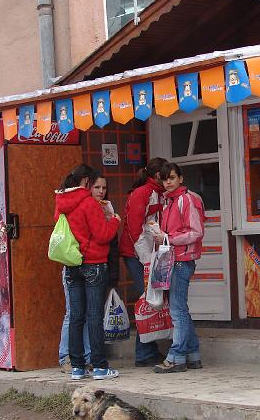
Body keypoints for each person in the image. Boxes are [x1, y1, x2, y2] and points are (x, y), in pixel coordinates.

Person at [55, 164, 121, 380]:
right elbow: (102, 235)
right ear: (85, 182)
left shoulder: (61, 203)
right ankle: (100, 367)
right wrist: (114, 221)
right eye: (93, 183)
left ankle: (77, 367)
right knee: (94, 316)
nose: (96, 187)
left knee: (76, 317)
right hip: (93, 264)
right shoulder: (88, 203)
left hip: (71, 265)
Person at [153, 162, 205, 374]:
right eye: (165, 178)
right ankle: (192, 354)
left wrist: (167, 238)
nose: (168, 182)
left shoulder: (186, 200)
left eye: (172, 177)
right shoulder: (169, 201)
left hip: (182, 260)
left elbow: (196, 231)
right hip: (172, 259)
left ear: (181, 179)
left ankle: (176, 356)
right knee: (180, 308)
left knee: (177, 310)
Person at [119, 157, 167, 367]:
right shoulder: (143, 193)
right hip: (138, 254)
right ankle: (144, 353)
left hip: (147, 253)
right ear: (157, 175)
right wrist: (148, 261)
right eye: (166, 175)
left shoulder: (156, 192)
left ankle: (146, 351)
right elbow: (134, 228)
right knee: (147, 300)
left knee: (147, 299)